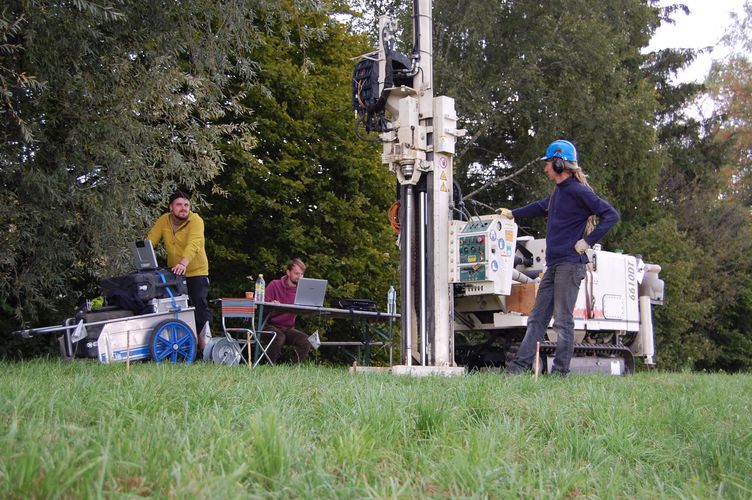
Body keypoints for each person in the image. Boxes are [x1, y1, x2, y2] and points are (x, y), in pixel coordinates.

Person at [501, 139, 620, 376]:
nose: (545, 168)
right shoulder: (559, 194)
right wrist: (512, 214)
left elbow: (611, 215)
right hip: (554, 264)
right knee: (536, 320)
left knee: (563, 322)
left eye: (548, 163)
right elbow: (539, 207)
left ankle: (560, 373)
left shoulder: (578, 191)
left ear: (559, 163)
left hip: (570, 264)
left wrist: (587, 242)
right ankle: (516, 370)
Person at [147, 191, 211, 346]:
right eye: (179, 205)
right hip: (175, 273)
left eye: (186, 205)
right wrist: (144, 256)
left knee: (199, 311)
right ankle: (184, 344)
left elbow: (194, 244)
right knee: (176, 310)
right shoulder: (164, 220)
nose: (183, 208)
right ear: (171, 207)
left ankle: (203, 346)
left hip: (196, 272)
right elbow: (151, 240)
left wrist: (183, 263)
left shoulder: (196, 220)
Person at [262, 258, 312, 364]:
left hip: (287, 328)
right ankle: (268, 366)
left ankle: (292, 369)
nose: (300, 277)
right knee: (279, 337)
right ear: (288, 272)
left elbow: (305, 310)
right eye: (296, 273)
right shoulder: (274, 285)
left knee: (306, 341)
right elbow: (262, 305)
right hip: (268, 325)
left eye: (302, 274)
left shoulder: (303, 291)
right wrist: (272, 304)